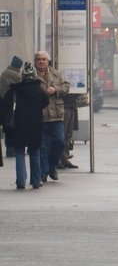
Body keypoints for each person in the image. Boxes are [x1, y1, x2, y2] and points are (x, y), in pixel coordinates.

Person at [0, 62, 49, 189]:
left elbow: (4, 106)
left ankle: (21, 181)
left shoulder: (14, 90)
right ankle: (36, 180)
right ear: (34, 75)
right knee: (34, 152)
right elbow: (45, 102)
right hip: (35, 125)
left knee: (20, 153)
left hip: (18, 126)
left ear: (22, 75)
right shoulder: (39, 90)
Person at [34, 51, 69, 182]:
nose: (41, 62)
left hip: (56, 115)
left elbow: (66, 86)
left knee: (59, 142)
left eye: (44, 59)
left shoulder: (56, 74)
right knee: (42, 146)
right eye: (39, 60)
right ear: (35, 62)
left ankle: (52, 166)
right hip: (40, 116)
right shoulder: (32, 76)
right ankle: (43, 173)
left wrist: (55, 90)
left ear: (48, 61)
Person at [0, 56, 24, 159]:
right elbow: (22, 82)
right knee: (11, 125)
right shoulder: (14, 74)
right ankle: (10, 149)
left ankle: (10, 148)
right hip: (10, 104)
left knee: (8, 126)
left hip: (5, 103)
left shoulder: (6, 72)